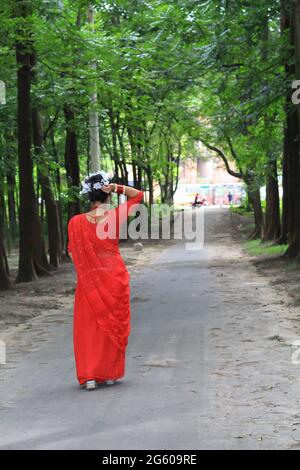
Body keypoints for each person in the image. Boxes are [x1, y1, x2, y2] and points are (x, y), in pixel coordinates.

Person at [67, 171, 144, 390]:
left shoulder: (75, 223)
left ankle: (90, 376)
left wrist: (88, 273)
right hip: (114, 277)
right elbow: (138, 196)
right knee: (112, 325)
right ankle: (109, 374)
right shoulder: (114, 216)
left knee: (89, 328)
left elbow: (73, 252)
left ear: (88, 197)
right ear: (106, 195)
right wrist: (118, 187)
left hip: (90, 281)